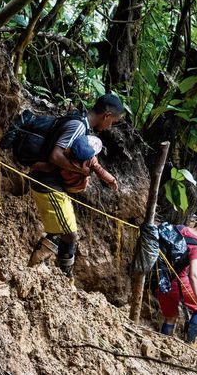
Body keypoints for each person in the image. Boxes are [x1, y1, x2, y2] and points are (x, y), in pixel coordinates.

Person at [25, 95, 123, 277]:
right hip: (48, 184)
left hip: (52, 184)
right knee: (70, 234)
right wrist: (81, 172)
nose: (110, 126)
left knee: (58, 231)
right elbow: (55, 156)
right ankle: (61, 276)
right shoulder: (78, 126)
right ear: (107, 115)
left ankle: (41, 273)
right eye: (113, 122)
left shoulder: (81, 124)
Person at [154, 211, 197, 343]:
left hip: (160, 279)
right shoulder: (196, 247)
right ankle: (190, 345)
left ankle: (162, 344)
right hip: (177, 283)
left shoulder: (180, 228)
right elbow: (193, 275)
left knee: (171, 316)